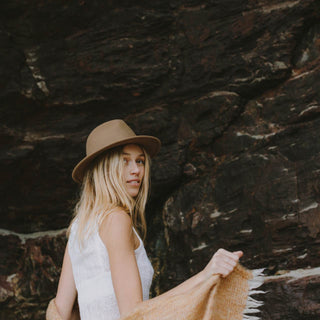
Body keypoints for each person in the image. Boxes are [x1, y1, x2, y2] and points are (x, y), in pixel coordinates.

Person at [53, 119, 243, 320]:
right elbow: (133, 313)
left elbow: (58, 313)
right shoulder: (116, 220)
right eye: (125, 161)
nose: (136, 170)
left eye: (140, 161)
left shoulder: (79, 227)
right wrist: (205, 275)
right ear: (104, 169)